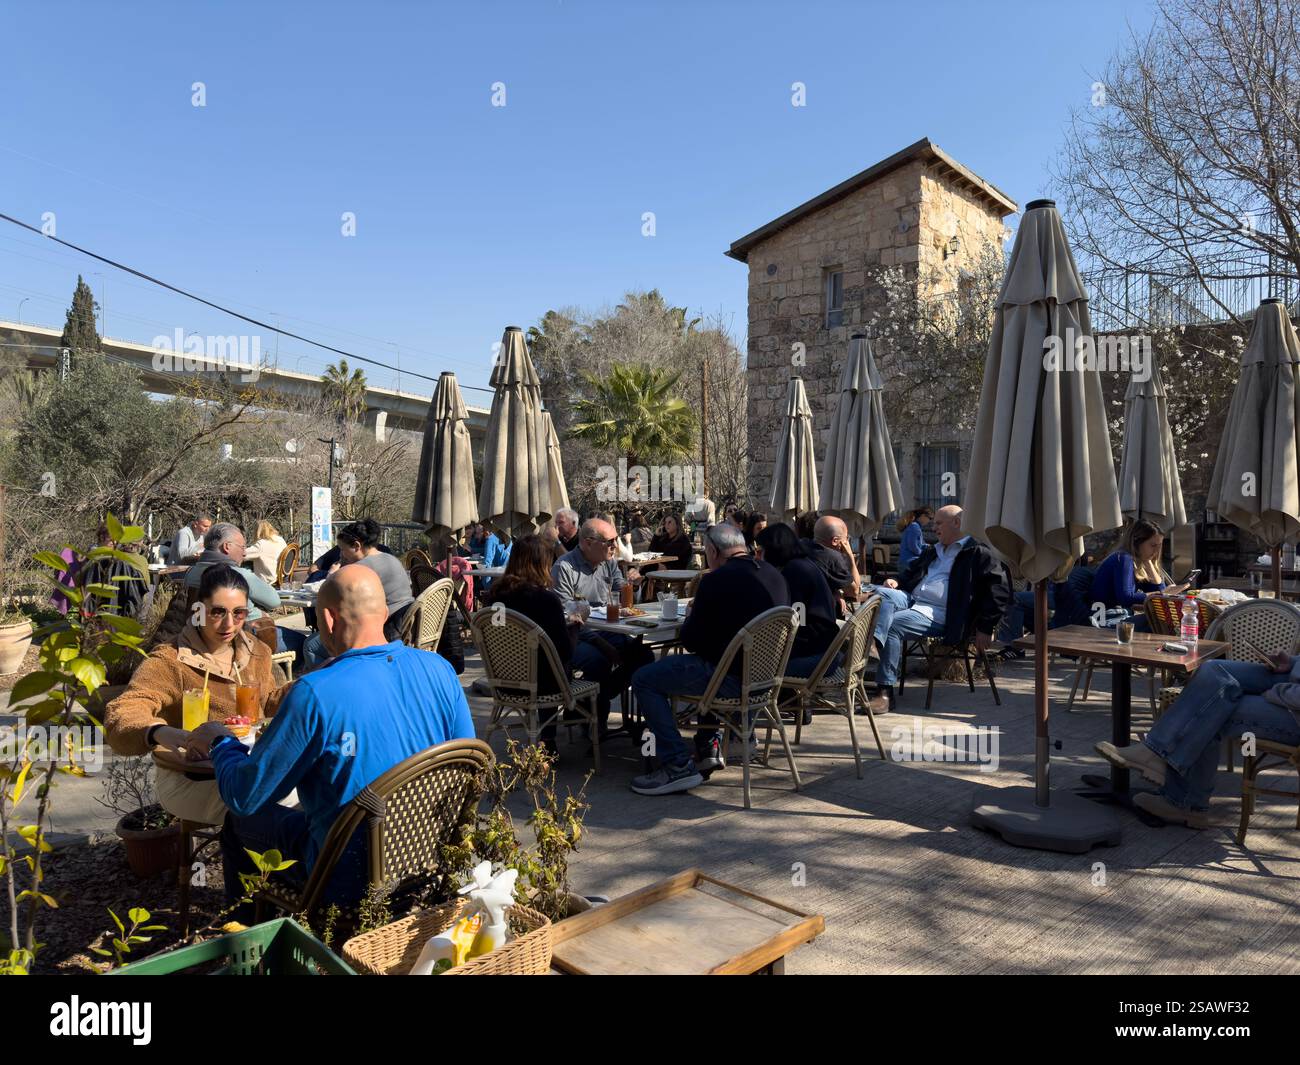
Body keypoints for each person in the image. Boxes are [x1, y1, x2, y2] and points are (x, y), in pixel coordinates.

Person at [185, 565, 475, 914]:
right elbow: (467, 767)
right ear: (383, 613)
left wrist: (222, 744)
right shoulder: (440, 669)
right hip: (429, 862)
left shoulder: (315, 692)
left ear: (328, 620)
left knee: (238, 823)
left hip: (344, 878)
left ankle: (252, 947)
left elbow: (246, 795)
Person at [105, 564, 287, 825]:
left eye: (239, 613)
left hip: (247, 771)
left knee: (311, 793)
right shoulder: (171, 658)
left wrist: (308, 687)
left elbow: (268, 702)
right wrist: (160, 732)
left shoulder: (256, 651)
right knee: (272, 812)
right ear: (198, 610)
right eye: (217, 612)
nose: (229, 623)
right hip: (190, 778)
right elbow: (123, 712)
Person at [629, 523, 789, 795]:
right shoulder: (774, 574)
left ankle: (678, 765)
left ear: (713, 550)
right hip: (765, 679)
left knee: (644, 678)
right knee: (696, 665)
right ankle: (709, 744)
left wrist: (693, 616)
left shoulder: (717, 580)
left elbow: (692, 641)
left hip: (728, 678)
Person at [1095, 653, 1300, 827]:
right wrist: (1293, 662)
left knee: (1217, 705)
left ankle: (1186, 803)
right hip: (1291, 679)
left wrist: (1278, 692)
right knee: (1214, 670)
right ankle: (1156, 753)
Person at [862, 504, 1011, 713]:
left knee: (893, 625)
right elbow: (910, 574)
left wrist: (986, 627)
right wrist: (895, 581)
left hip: (942, 613)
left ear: (957, 523)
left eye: (939, 523)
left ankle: (884, 692)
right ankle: (876, 641)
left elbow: (999, 591)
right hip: (912, 600)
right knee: (882, 593)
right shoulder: (934, 550)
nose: (934, 528)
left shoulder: (978, 553)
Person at [551, 518, 650, 730]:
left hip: (608, 630)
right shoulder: (565, 567)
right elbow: (566, 618)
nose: (615, 545)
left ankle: (586, 704)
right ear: (587, 543)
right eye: (609, 541)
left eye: (615, 539)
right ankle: (595, 724)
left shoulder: (609, 562)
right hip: (574, 637)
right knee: (599, 661)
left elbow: (626, 601)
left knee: (643, 655)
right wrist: (601, 643)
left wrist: (633, 586)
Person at [481, 535, 576, 756]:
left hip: (503, 681)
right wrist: (574, 628)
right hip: (542, 685)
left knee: (542, 659)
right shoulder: (546, 600)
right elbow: (564, 652)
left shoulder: (494, 596)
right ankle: (566, 731)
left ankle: (549, 736)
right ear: (542, 563)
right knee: (583, 661)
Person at [304, 519, 415, 666]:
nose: (342, 555)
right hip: (406, 624)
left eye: (343, 549)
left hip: (382, 631)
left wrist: (332, 575)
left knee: (311, 645)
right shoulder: (391, 559)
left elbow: (330, 594)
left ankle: (330, 681)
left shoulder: (360, 569)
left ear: (357, 546)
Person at [754, 523, 838, 677]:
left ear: (773, 549)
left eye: (760, 551)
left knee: (749, 668)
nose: (758, 556)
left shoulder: (795, 572)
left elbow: (794, 622)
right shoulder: (803, 564)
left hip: (817, 659)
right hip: (825, 652)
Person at [184, 523, 282, 622]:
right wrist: (263, 614)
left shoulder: (190, 573)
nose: (244, 553)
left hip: (200, 632)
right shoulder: (238, 575)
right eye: (242, 547)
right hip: (242, 632)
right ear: (227, 546)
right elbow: (274, 601)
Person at [1092, 519, 1169, 623]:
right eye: (1153, 545)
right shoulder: (1123, 558)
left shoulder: (1138, 561)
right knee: (1160, 621)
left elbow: (1161, 596)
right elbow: (1126, 597)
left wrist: (1149, 564)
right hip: (1104, 618)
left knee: (1162, 620)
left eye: (1159, 546)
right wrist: (1161, 594)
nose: (1157, 551)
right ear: (1137, 543)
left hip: (1117, 616)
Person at [802, 515, 861, 603]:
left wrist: (834, 591)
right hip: (818, 611)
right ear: (835, 541)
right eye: (846, 538)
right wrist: (850, 556)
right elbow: (854, 592)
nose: (847, 541)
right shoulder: (832, 558)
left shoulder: (802, 545)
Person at [243, 520, 288, 585]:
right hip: (283, 577)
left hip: (267, 582)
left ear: (257, 531)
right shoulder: (281, 540)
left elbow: (242, 554)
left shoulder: (261, 544)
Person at [896, 506, 934, 573]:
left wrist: (927, 546)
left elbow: (919, 544)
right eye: (930, 518)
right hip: (909, 563)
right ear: (923, 516)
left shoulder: (915, 526)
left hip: (907, 562)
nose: (930, 521)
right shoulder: (914, 527)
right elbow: (913, 547)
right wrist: (923, 555)